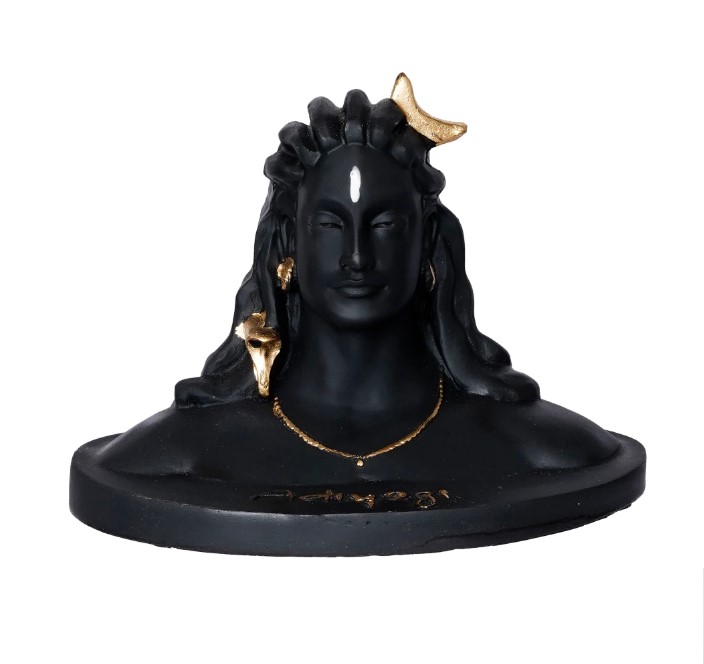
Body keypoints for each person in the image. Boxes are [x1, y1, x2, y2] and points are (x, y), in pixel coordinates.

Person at [97, 79, 618, 482]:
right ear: (290, 242)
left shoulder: (535, 446)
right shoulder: (182, 452)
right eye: (329, 225)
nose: (356, 257)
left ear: (426, 242)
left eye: (385, 225)